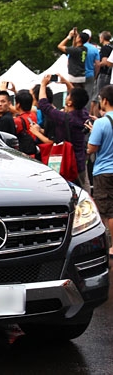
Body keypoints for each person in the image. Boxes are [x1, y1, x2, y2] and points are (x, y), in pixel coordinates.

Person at [38, 74, 91, 190]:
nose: (66, 97)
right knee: (84, 187)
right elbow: (79, 98)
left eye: (68, 96)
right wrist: (67, 83)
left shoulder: (64, 118)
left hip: (66, 160)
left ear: (70, 103)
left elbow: (43, 105)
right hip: (80, 160)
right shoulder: (84, 114)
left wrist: (43, 85)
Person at [86, 84, 113, 258]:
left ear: (104, 100)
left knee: (108, 210)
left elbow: (92, 148)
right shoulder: (101, 122)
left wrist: (93, 134)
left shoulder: (102, 123)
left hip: (104, 171)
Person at [82, 29, 100, 102]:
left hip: (77, 75)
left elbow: (68, 63)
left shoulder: (76, 47)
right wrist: (95, 75)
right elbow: (98, 64)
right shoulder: (94, 49)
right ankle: (86, 112)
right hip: (90, 75)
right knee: (88, 97)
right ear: (90, 37)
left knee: (76, 96)